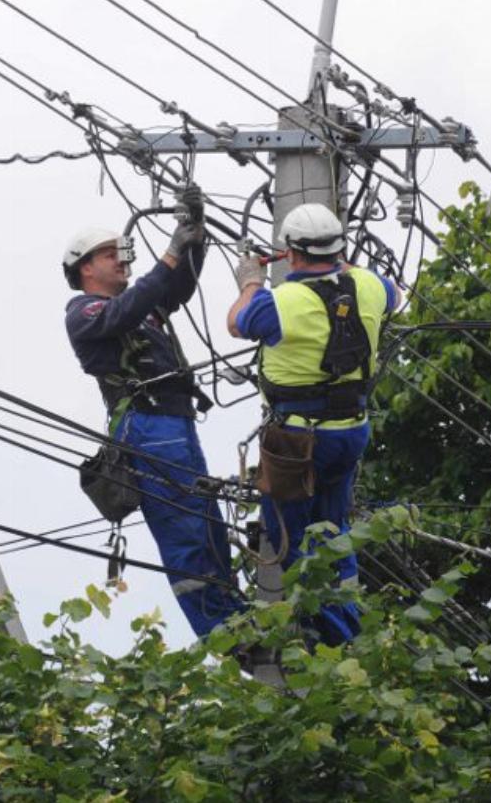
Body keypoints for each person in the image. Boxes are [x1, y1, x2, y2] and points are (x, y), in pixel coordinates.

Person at [63, 188, 243, 639]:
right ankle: (220, 629)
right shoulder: (85, 311)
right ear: (86, 267)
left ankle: (236, 613)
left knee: (206, 519)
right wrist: (169, 253)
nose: (121, 262)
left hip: (174, 423)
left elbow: (176, 285)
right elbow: (133, 304)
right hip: (145, 426)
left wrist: (193, 239)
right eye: (109, 256)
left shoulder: (143, 307)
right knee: (183, 527)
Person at [226, 203, 398, 646]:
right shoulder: (372, 287)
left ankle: (333, 640)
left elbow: (236, 322)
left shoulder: (276, 303)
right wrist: (343, 267)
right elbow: (397, 293)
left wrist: (249, 281)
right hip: (351, 431)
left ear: (289, 253)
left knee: (293, 541)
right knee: (334, 528)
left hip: (297, 442)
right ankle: (352, 621)